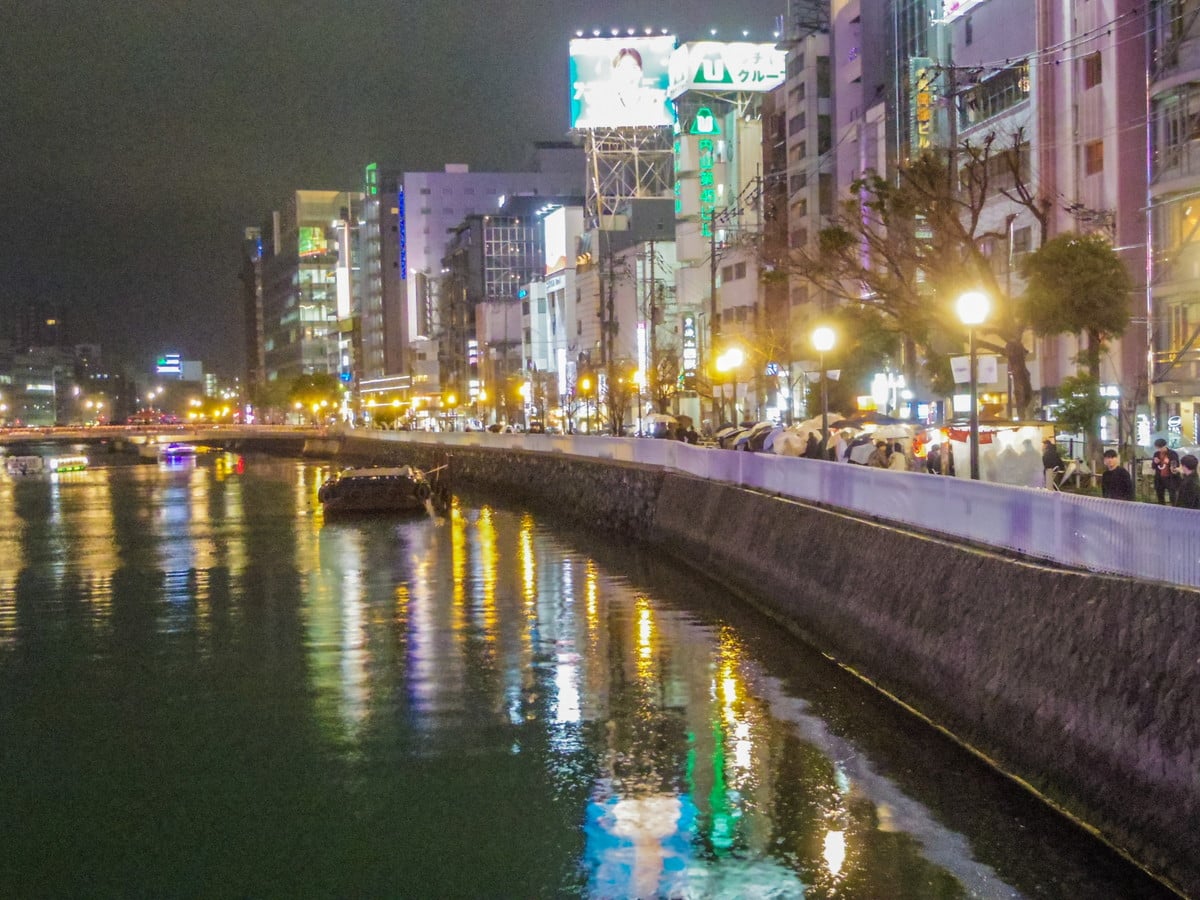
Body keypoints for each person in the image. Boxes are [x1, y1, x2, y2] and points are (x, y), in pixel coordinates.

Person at [1153, 438, 1181, 505]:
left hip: (1170, 478)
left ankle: (1174, 510)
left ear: (1165, 445)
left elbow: (1176, 465)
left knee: (1172, 496)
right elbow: (1153, 466)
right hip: (1160, 478)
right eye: (1158, 448)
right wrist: (1155, 462)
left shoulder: (1172, 453)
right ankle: (1161, 510)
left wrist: (1170, 464)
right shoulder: (1156, 454)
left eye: (1161, 447)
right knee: (1160, 496)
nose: (1159, 449)